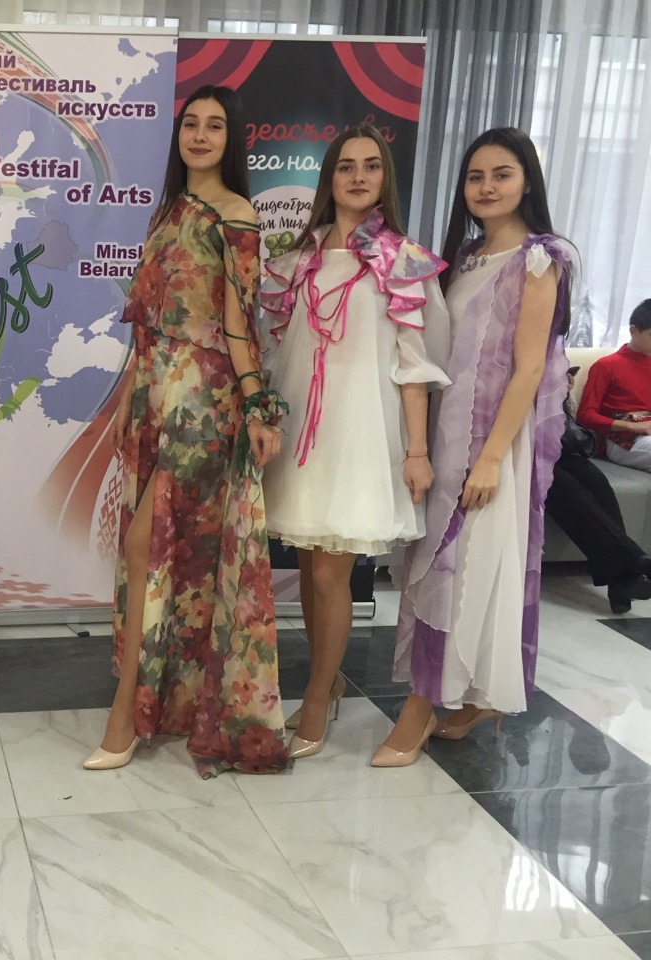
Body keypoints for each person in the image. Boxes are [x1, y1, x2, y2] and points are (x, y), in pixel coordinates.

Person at [84, 86, 288, 777]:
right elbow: (146, 323)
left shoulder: (236, 215)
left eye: (215, 126)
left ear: (232, 139)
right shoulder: (168, 211)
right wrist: (126, 399)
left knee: (154, 547)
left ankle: (124, 718)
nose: (200, 135)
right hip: (152, 393)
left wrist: (258, 408)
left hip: (203, 403)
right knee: (166, 560)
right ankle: (170, 700)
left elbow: (238, 325)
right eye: (191, 124)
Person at [380, 128, 576, 766]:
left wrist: (491, 458)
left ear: (527, 181)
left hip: (491, 444)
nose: (487, 187)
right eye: (475, 176)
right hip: (445, 434)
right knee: (443, 567)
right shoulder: (463, 257)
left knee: (460, 570)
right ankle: (474, 697)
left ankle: (419, 707)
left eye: (502, 174)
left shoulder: (540, 259)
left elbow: (529, 368)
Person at [259, 125, 450, 759]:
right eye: (346, 166)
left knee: (331, 572)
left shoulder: (402, 259)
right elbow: (276, 349)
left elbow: (413, 366)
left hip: (363, 431)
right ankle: (329, 680)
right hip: (304, 432)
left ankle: (315, 699)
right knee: (311, 567)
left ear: (384, 178)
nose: (359, 176)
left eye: (371, 165)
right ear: (330, 177)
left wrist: (416, 451)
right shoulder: (301, 257)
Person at [548, 365, 651, 613]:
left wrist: (561, 389)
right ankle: (633, 562)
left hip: (549, 441)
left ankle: (622, 580)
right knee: (565, 487)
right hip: (519, 446)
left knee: (596, 481)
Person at [576, 298, 651, 495]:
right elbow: (585, 415)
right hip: (622, 441)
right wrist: (632, 426)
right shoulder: (606, 366)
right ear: (634, 330)